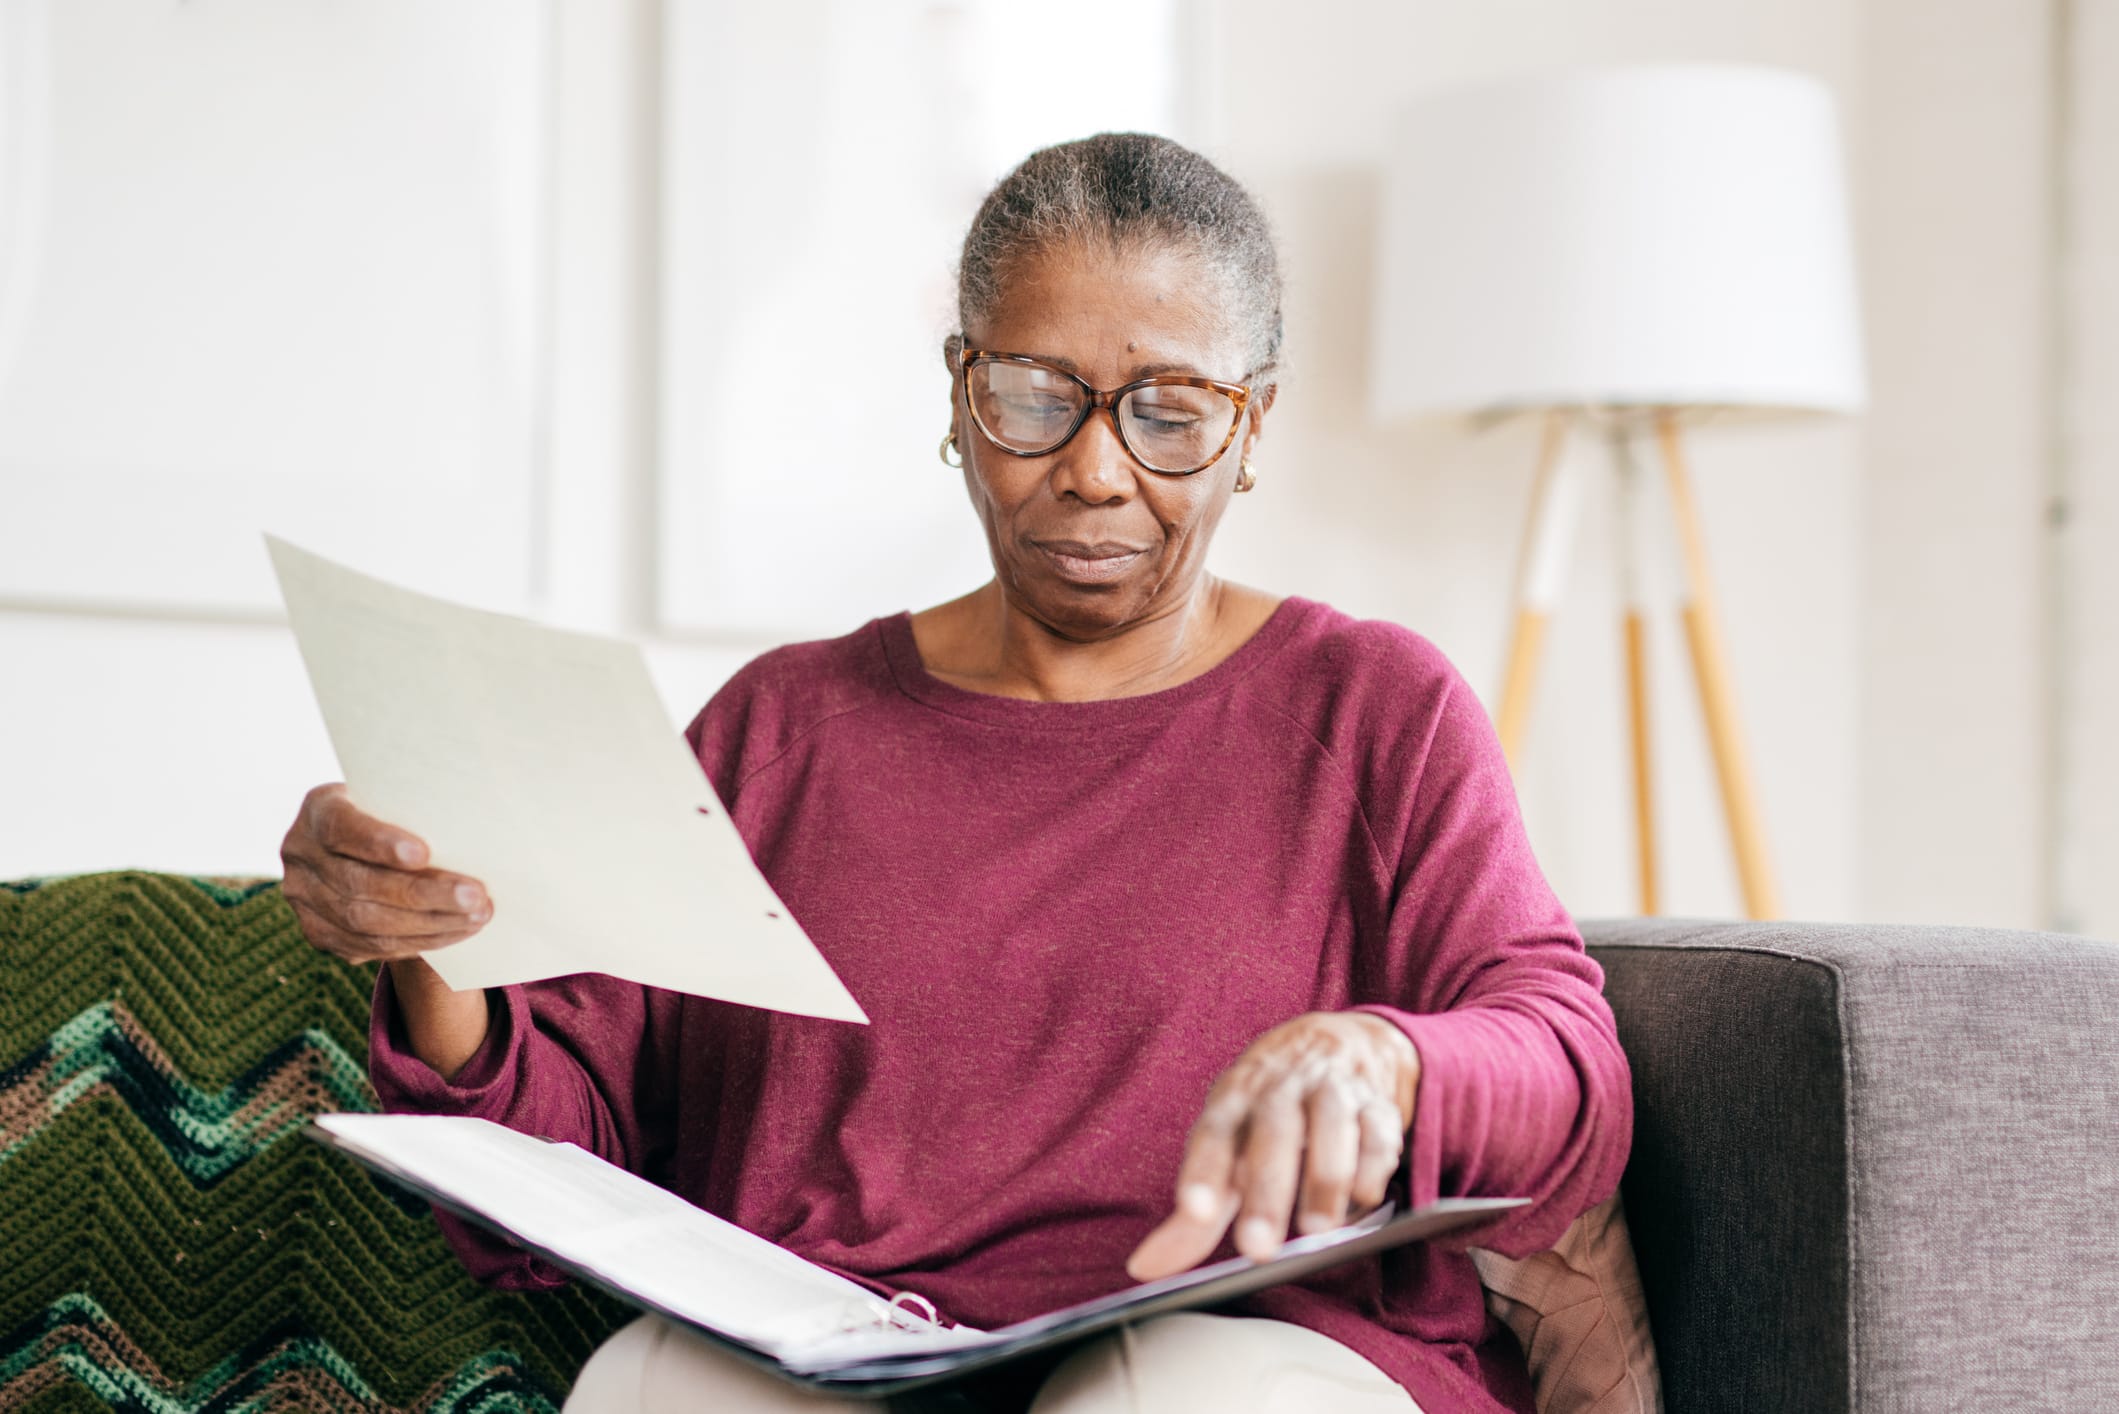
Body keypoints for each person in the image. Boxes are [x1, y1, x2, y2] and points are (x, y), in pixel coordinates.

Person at [280, 133, 1631, 1414]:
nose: (1095, 471)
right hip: (842, 1361)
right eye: (1035, 397)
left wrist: (1387, 1060)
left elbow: (1574, 1079)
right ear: (960, 394)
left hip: (1245, 1361)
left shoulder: (1375, 710)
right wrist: (431, 934)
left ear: (1253, 426)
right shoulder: (777, 729)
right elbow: (557, 1159)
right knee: (652, 1381)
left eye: (1170, 414)